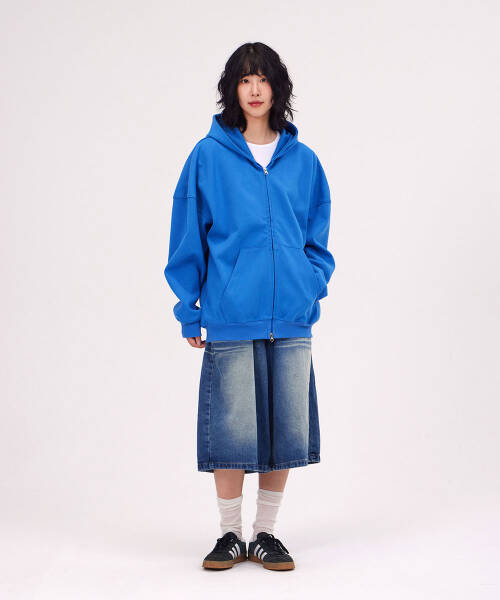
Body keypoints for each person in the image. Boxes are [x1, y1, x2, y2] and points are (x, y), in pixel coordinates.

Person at [164, 42, 335, 571]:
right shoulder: (208, 156)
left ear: (277, 87)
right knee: (232, 428)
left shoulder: (304, 161)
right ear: (232, 89)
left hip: (291, 319)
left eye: (263, 79)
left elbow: (317, 239)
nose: (255, 89)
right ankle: (229, 535)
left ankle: (265, 534)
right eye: (245, 79)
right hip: (230, 314)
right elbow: (187, 234)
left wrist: (310, 285)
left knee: (286, 430)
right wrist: (190, 308)